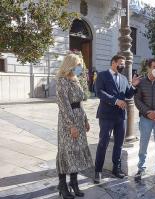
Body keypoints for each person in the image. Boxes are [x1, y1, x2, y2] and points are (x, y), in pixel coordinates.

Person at [94, 55, 141, 183]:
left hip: (120, 116)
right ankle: (98, 171)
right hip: (106, 116)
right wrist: (115, 101)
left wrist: (134, 86)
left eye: (124, 64)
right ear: (113, 62)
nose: (123, 66)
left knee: (119, 144)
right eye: (121, 63)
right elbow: (99, 92)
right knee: (103, 143)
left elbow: (127, 94)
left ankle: (117, 169)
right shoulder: (102, 75)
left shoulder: (124, 78)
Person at [56, 53, 93, 199]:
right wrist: (71, 125)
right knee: (66, 151)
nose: (80, 67)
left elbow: (79, 102)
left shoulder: (75, 80)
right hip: (67, 121)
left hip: (79, 118)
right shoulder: (62, 81)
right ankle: (62, 185)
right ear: (70, 64)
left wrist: (85, 120)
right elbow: (64, 105)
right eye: (78, 64)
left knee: (77, 151)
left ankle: (74, 183)